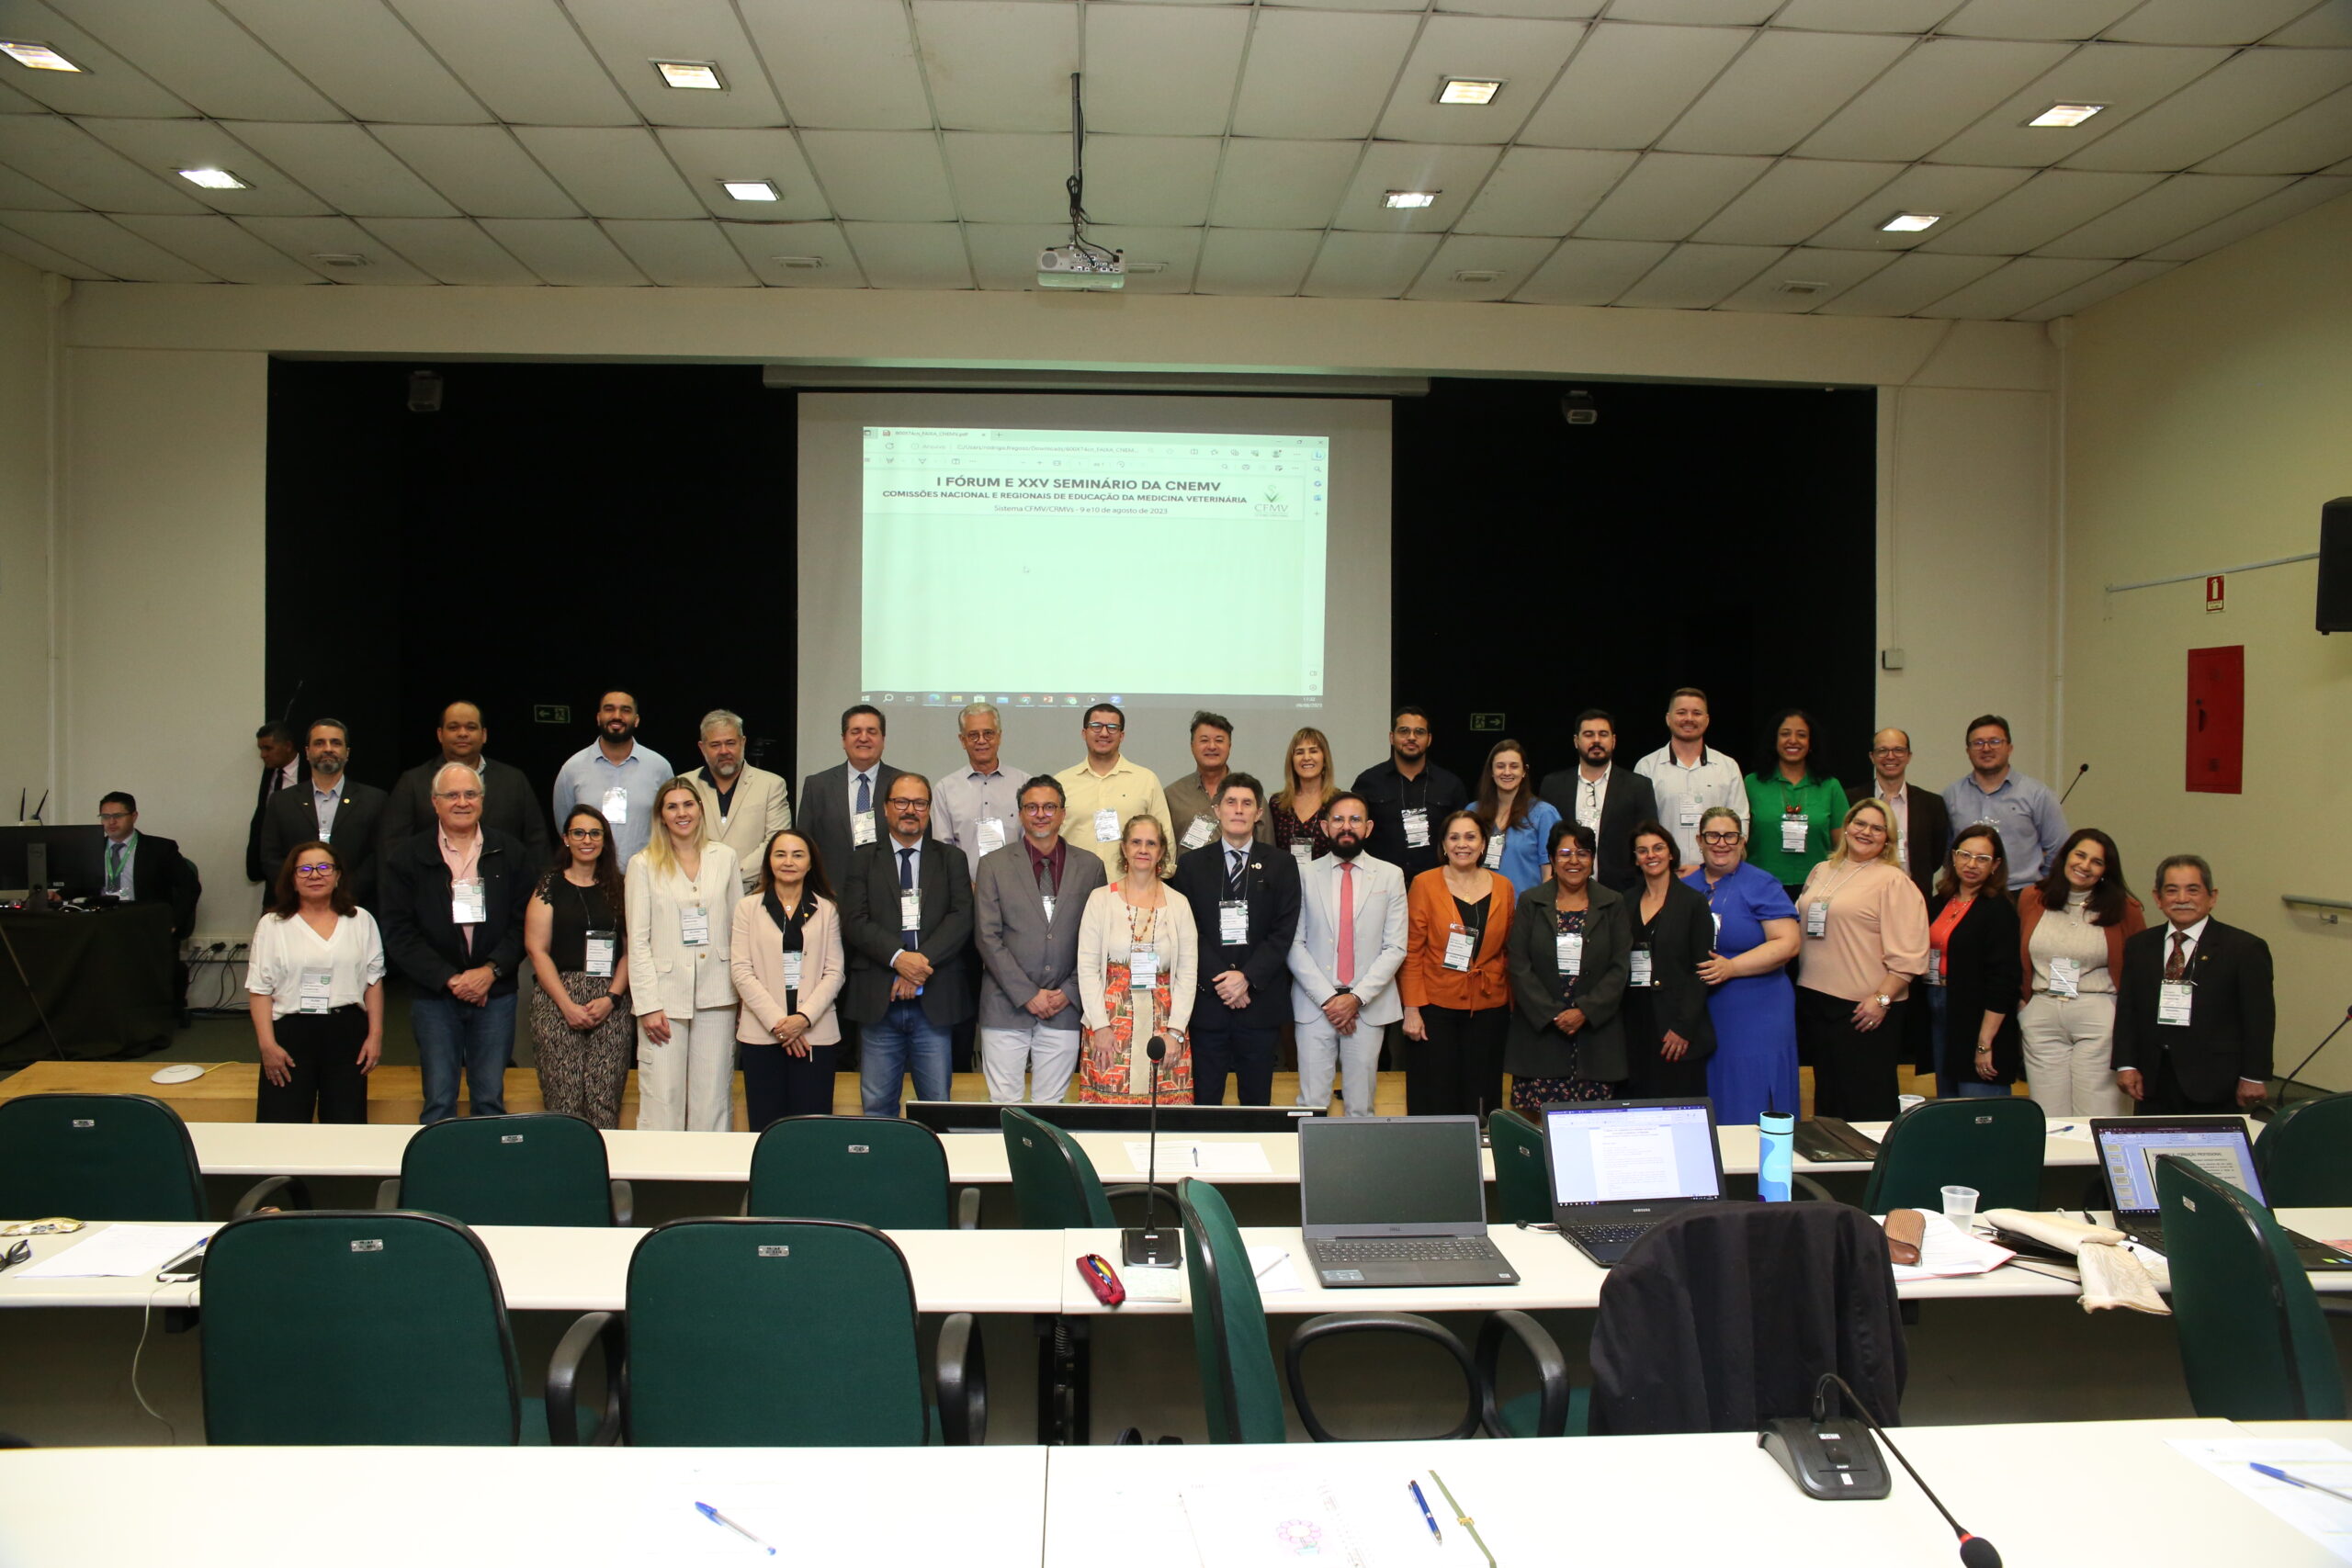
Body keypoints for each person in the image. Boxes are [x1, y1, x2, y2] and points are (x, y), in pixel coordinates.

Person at [379, 761, 535, 1123]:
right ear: (434, 802)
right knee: (438, 1100)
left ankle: (488, 1177)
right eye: (451, 795)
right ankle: (437, 1177)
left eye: (470, 794)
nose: (461, 802)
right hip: (434, 997)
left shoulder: (510, 853)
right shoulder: (408, 857)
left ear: (482, 799)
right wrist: (451, 979)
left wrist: (490, 971)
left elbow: (523, 923)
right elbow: (398, 931)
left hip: (495, 994)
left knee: (489, 1100)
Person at [841, 773, 974, 1116]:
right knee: (877, 1106)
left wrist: (918, 964)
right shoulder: (862, 859)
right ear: (885, 808)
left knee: (936, 1106)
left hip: (935, 998)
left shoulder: (951, 859)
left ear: (929, 810)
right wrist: (898, 959)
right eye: (901, 802)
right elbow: (855, 921)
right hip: (879, 999)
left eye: (919, 803)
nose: (910, 810)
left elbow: (961, 917)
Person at [1792, 797, 1929, 1121]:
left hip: (1863, 1009)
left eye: (1877, 828)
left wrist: (1881, 999)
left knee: (1865, 1103)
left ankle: (1870, 1169)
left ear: (1888, 839)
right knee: (1828, 1099)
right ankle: (1832, 1168)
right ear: (1847, 826)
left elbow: (1911, 954)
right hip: (1816, 1001)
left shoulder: (1894, 881)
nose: (1866, 832)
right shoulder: (1822, 870)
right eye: (1860, 823)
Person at [1171, 773, 1302, 1107]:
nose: (1238, 810)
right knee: (1205, 1100)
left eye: (1247, 804)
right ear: (1217, 810)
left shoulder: (1282, 865)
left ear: (1259, 813)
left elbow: (1283, 931)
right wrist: (1223, 981)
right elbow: (1188, 931)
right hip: (1209, 1002)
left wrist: (1246, 979)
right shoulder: (1191, 865)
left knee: (1257, 1103)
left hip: (1258, 1002)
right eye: (1231, 802)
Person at [972, 776, 1104, 1104]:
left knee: (1051, 1108)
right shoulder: (993, 865)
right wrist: (1027, 994)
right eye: (1032, 807)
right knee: (1004, 1105)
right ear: (1020, 814)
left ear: (1063, 814)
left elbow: (1098, 940)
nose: (1041, 814)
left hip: (1064, 1006)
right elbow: (987, 937)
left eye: (1049, 807)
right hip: (1006, 1005)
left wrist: (1070, 991)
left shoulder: (1090, 867)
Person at [2113, 855, 2273, 1114]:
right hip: (2152, 1081)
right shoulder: (2140, 946)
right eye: (2172, 890)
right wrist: (2125, 1064)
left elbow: (2259, 1019)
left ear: (2212, 897)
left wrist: (2254, 1075)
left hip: (2215, 1083)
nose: (2182, 899)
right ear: (2158, 898)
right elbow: (2128, 1010)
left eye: (2193, 890)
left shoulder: (2244, 949)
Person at [624, 777, 741, 1133]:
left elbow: (739, 930)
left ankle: (713, 1184)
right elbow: (637, 941)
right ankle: (659, 1184)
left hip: (718, 994)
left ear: (700, 809)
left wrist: (742, 998)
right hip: (663, 999)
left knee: (714, 1099)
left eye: (688, 805)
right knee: (663, 1097)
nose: (681, 813)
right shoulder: (643, 864)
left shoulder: (725, 857)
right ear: (661, 816)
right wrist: (647, 1004)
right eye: (672, 807)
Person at [245, 840, 383, 1123]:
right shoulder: (272, 924)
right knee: (282, 1124)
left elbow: (373, 981)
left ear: (338, 876)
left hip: (346, 1031)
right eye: (305, 869)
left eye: (324, 867)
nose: (315, 875)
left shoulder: (361, 920)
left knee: (346, 1124)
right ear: (292, 879)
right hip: (290, 1034)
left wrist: (375, 1035)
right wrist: (267, 1045)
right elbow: (260, 990)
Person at [1287, 792, 1407, 1115]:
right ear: (1325, 827)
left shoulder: (1390, 875)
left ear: (1368, 828)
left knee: (1361, 1107)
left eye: (1355, 820)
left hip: (1368, 1007)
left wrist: (1354, 999)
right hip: (1315, 1006)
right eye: (1338, 819)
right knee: (1310, 1104)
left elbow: (1395, 947)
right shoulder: (1303, 874)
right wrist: (1330, 999)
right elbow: (1293, 944)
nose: (1346, 827)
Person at [1684, 806, 1801, 1125]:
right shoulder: (1685, 885)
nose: (1721, 843)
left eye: (1730, 836)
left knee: (1751, 1094)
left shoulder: (1762, 884)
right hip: (1703, 1012)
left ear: (1742, 840)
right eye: (1713, 836)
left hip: (1757, 1009)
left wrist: (1732, 968)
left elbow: (1787, 943)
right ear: (1700, 840)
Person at [2017, 828, 2144, 1116]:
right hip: (2043, 1012)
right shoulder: (2032, 898)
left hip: (2097, 1013)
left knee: (2097, 1113)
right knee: (2048, 1117)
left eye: (2097, 862)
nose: (2085, 866)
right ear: (2065, 856)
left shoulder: (2125, 908)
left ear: (2106, 870)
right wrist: (2026, 1006)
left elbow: (2140, 971)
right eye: (2080, 855)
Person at [1506, 822, 1631, 1111]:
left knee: (1594, 1129)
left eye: (1583, 853)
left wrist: (1584, 1011)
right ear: (1551, 859)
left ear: (1593, 860)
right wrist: (1553, 1013)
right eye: (1564, 853)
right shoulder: (1530, 902)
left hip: (1595, 1036)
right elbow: (1519, 963)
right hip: (1542, 1033)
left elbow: (1620, 967)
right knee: (1539, 1130)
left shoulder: (1613, 903)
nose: (1573, 861)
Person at [522, 807, 633, 1128]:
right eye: (579, 833)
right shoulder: (549, 885)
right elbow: (536, 949)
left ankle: (604, 1174)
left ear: (605, 840)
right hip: (558, 998)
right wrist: (567, 1005)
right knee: (564, 1099)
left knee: (604, 1099)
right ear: (566, 839)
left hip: (609, 1000)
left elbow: (631, 950)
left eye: (595, 833)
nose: (587, 840)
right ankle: (565, 1175)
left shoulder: (621, 886)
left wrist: (612, 998)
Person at [1075, 813, 1198, 1103]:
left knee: (1163, 1123)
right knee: (1109, 1122)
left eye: (1151, 843)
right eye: (1136, 842)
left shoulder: (1179, 904)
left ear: (1162, 852)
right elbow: (1088, 967)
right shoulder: (1100, 899)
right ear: (1124, 848)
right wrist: (1099, 1026)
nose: (1143, 849)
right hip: (1110, 1028)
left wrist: (1176, 1032)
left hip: (1165, 1028)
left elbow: (1188, 973)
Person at [1398, 811, 1514, 1118]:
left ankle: (1481, 1158)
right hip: (1435, 1007)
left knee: (1482, 1093)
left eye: (1470, 836)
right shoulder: (1425, 883)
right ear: (1444, 845)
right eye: (1454, 837)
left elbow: (1508, 949)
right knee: (1436, 1092)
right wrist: (1412, 1009)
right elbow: (1412, 951)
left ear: (1483, 843)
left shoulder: (1504, 886)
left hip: (1490, 1006)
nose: (1462, 844)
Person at [731, 829, 848, 1129]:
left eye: (798, 855)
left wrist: (802, 1020)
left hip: (815, 1035)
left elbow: (834, 973)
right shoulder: (747, 908)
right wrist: (780, 1024)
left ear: (810, 863)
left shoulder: (826, 909)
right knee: (765, 1127)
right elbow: (741, 971)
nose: (788, 861)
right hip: (762, 1034)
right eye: (780, 854)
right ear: (769, 861)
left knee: (811, 1129)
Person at [380, 701, 550, 869]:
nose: (463, 733)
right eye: (453, 727)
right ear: (440, 734)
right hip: (433, 888)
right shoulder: (413, 782)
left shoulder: (514, 780)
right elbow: (393, 847)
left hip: (505, 888)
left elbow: (537, 843)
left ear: (484, 734)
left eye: (471, 727)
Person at [1620, 820, 1716, 1099]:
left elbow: (1702, 970)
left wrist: (1683, 1028)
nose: (1651, 855)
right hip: (1633, 1020)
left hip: (1675, 1025)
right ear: (1636, 859)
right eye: (1643, 851)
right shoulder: (1624, 902)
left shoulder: (1693, 903)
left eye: (1658, 848)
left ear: (1671, 853)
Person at [1924, 829, 2022, 1100]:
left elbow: (2004, 980)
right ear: (1953, 858)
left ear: (1996, 865)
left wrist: (1984, 1043)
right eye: (1965, 855)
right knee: (1948, 1100)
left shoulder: (1999, 909)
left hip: (1980, 1015)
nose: (1971, 864)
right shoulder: (1941, 901)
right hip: (1942, 1005)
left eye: (1982, 858)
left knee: (1977, 1104)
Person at [259, 718, 389, 908]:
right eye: (319, 743)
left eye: (336, 743)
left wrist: (344, 892)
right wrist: (301, 889)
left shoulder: (375, 800)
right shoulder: (281, 801)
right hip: (294, 908)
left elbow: (378, 856)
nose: (328, 748)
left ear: (347, 753)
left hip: (355, 907)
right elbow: (270, 856)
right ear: (307, 752)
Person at [1537, 710, 1659, 894]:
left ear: (1614, 740)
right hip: (1564, 890)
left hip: (1623, 892)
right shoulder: (1553, 785)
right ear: (1576, 741)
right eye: (1588, 734)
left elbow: (1648, 838)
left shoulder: (1638, 786)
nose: (1596, 740)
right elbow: (1546, 841)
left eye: (1603, 734)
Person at [1941, 714, 2069, 886]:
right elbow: (1946, 851)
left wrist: (2039, 889)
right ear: (1968, 751)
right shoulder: (1952, 795)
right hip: (1969, 895)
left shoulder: (2037, 794)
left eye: (1995, 741)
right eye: (1978, 743)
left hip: (2021, 893)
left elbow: (2059, 850)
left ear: (2009, 748)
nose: (1986, 748)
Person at [552, 691, 673, 866]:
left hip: (646, 875)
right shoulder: (572, 769)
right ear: (598, 717)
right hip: (590, 877)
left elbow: (669, 824)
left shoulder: (660, 768)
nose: (617, 716)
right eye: (609, 709)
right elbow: (564, 825)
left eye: (625, 710)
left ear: (636, 720)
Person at [1352, 705, 1467, 886]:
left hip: (1437, 885)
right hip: (1378, 884)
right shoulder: (1368, 782)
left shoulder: (1450, 785)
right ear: (1392, 737)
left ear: (1429, 739)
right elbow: (1355, 833)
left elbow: (1462, 837)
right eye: (1404, 731)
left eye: (1419, 732)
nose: (1411, 737)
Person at [1634, 688, 1747, 869]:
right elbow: (1641, 827)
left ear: (1707, 720)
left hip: (1717, 873)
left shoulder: (1728, 767)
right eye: (1681, 712)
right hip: (1664, 874)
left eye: (1696, 713)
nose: (1689, 719)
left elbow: (1741, 821)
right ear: (1668, 718)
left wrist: (1713, 866)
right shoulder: (1646, 767)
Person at [687, 709, 792, 896]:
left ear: (743, 742)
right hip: (696, 893)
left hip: (755, 893)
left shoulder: (771, 785)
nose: (724, 751)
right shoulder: (685, 786)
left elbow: (776, 841)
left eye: (730, 743)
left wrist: (731, 875)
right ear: (702, 748)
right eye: (715, 745)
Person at [1056, 704, 1170, 875]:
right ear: (1084, 733)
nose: (1104, 733)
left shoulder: (1146, 780)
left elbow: (1165, 836)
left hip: (1132, 889)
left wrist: (1159, 880)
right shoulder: (1062, 782)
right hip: (1075, 888)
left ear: (1122, 735)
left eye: (1112, 728)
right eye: (1096, 726)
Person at [1745, 708, 1843, 896]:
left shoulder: (1830, 786)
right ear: (1774, 741)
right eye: (1785, 734)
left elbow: (1842, 847)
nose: (1793, 740)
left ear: (1811, 743)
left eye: (1801, 735)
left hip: (1817, 887)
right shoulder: (1752, 783)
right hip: (1760, 886)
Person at [1847, 728, 1950, 904]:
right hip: (1860, 898)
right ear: (1872, 756)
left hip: (1913, 898)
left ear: (1909, 756)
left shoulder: (1932, 804)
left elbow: (1935, 857)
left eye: (1898, 750)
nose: (1891, 756)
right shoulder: (1851, 799)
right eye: (1882, 750)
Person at [932, 703, 1033, 879]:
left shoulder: (1025, 784)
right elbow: (942, 851)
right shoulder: (945, 789)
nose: (981, 740)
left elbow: (1032, 843)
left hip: (1015, 890)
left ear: (999, 737)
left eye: (988, 733)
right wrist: (962, 886)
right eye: (973, 735)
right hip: (964, 892)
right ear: (962, 740)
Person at [1163, 711, 1268, 854]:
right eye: (1204, 740)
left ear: (1229, 746)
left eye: (1219, 740)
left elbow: (1268, 852)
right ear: (1192, 746)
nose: (1212, 746)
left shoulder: (1251, 795)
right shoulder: (1173, 795)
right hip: (1189, 876)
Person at [1474, 739, 1559, 895]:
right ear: (1491, 772)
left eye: (1514, 766)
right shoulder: (1474, 812)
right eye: (1500, 766)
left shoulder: (1544, 814)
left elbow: (1551, 873)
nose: (1507, 772)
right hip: (1480, 909)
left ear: (1524, 771)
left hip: (1526, 911)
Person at [1268, 728, 1337, 868]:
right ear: (1292, 761)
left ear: (1324, 759)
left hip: (1327, 884)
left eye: (1313, 751)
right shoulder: (1277, 803)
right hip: (1285, 884)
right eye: (1299, 752)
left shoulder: (1338, 802)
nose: (1306, 757)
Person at [246, 720, 303, 883]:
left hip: (303, 856)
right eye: (261, 749)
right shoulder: (271, 773)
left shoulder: (311, 772)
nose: (263, 755)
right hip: (274, 863)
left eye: (268, 748)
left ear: (288, 746)